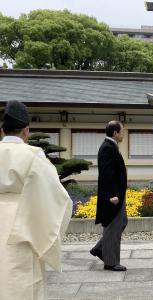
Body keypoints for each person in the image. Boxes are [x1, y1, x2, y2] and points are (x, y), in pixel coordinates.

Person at [0, 101, 72, 300]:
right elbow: (58, 199)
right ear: (26, 131)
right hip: (21, 225)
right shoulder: (33, 156)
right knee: (19, 282)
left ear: (2, 130)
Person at [90, 120, 128, 271]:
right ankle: (111, 262)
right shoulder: (107, 147)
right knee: (113, 226)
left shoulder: (112, 146)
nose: (123, 134)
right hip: (113, 196)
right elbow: (106, 173)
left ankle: (100, 248)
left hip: (118, 193)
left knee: (122, 221)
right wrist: (112, 194)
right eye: (122, 131)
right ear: (115, 133)